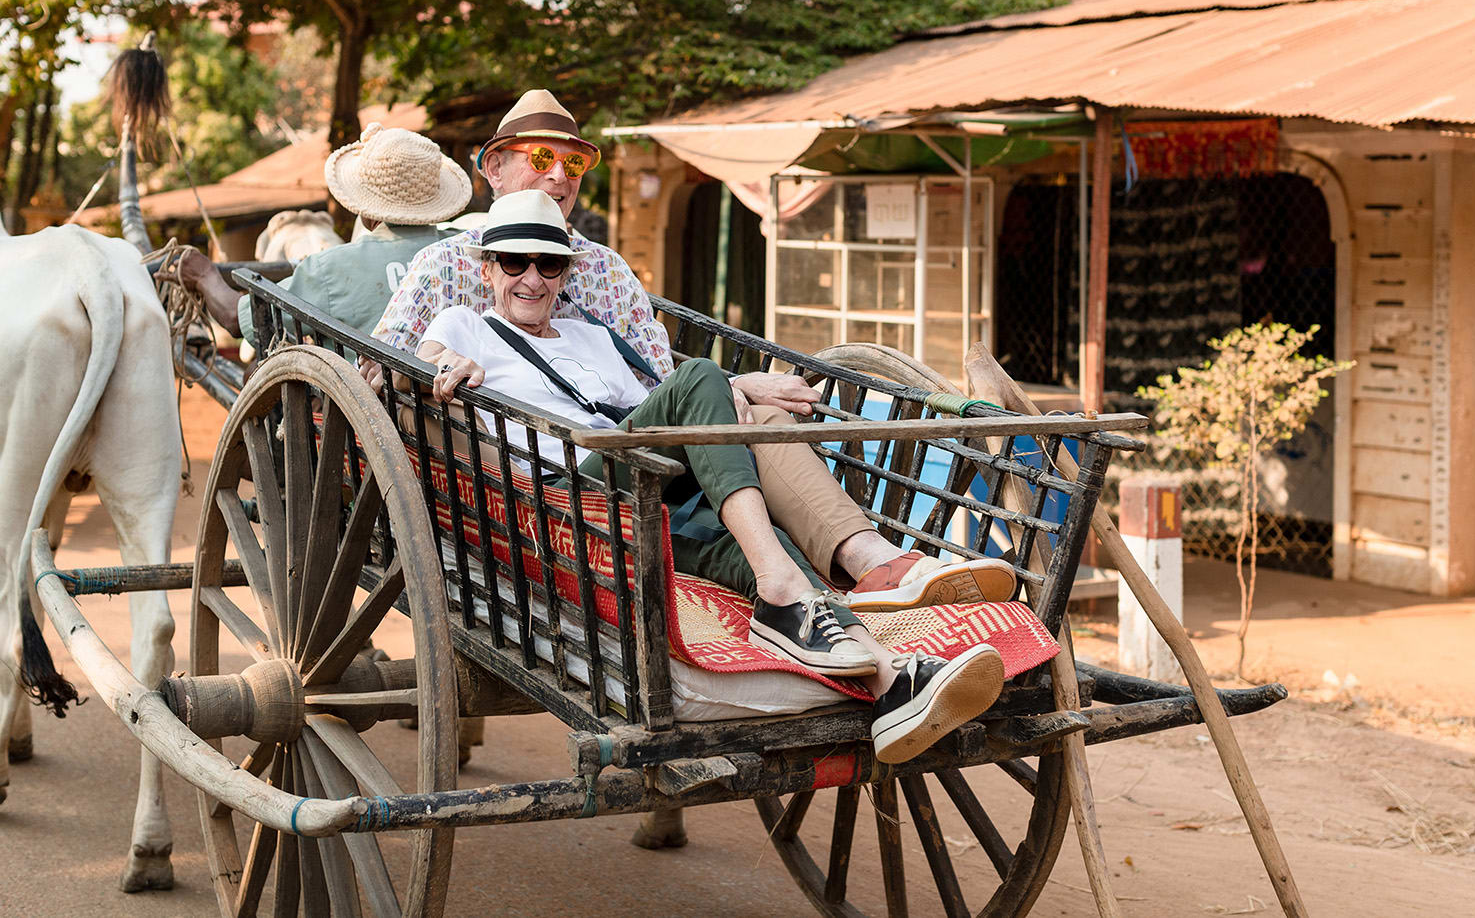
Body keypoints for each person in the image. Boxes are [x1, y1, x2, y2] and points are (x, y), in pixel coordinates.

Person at [421, 190, 1018, 764]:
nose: (530, 278)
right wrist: (445, 365)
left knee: (757, 458)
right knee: (712, 379)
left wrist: (742, 392)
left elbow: (672, 403)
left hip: (653, 481)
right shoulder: (462, 326)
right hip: (574, 488)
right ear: (486, 268)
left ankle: (885, 676)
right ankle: (849, 568)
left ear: (564, 274)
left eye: (547, 263)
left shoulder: (596, 338)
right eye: (512, 261)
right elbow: (412, 369)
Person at [365, 88, 820, 420]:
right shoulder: (442, 264)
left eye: (574, 163)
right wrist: (438, 363)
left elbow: (657, 378)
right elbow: (374, 369)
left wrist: (731, 386)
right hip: (509, 466)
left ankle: (857, 550)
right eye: (542, 159)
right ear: (495, 169)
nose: (560, 176)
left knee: (768, 423)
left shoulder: (606, 268)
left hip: (622, 433)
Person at [168, 123, 472, 342]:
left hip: (369, 421)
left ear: (365, 211)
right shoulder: (469, 253)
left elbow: (240, 319)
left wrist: (204, 274)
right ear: (435, 199)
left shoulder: (329, 269)